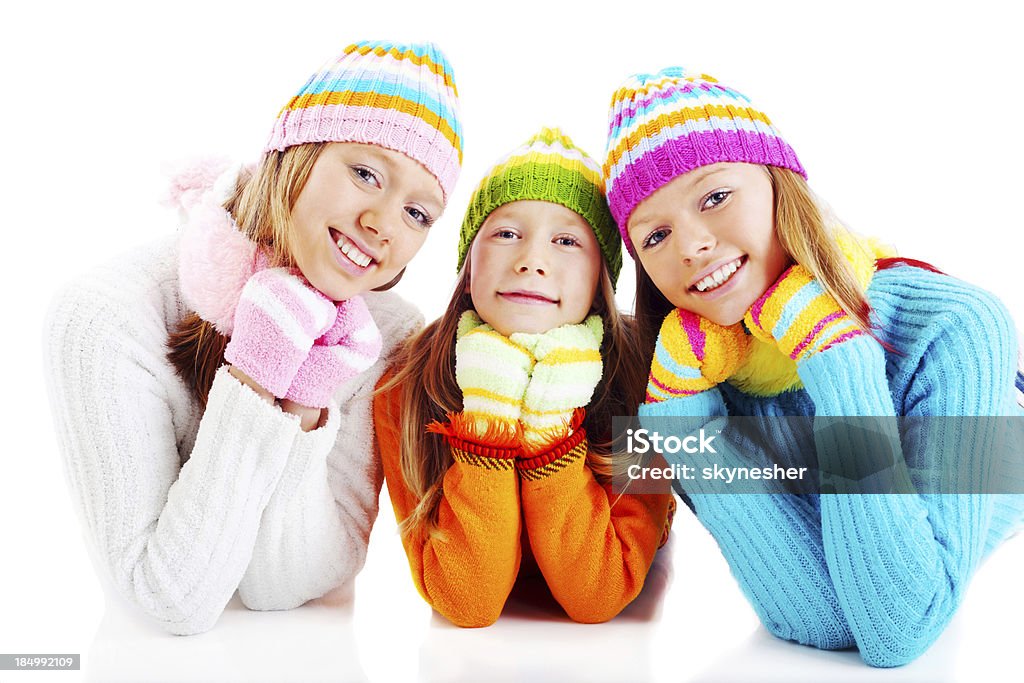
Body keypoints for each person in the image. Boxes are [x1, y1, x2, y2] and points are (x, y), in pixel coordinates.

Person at [602, 67, 1024, 667]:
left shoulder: (958, 327)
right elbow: (819, 615)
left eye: (715, 197)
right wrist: (678, 416)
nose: (691, 246)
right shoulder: (686, 381)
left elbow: (900, 625)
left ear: (781, 184)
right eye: (656, 235)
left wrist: (838, 356)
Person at [42, 41, 462, 635]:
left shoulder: (383, 334)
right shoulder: (106, 316)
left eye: (418, 213)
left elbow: (284, 584)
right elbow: (169, 599)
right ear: (295, 152)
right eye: (365, 173)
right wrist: (257, 373)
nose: (383, 225)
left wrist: (304, 395)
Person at [374, 127, 673, 627]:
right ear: (469, 265)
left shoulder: (643, 378)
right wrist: (489, 412)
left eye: (566, 241)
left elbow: (597, 595)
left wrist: (550, 422)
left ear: (601, 279)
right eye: (507, 233)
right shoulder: (407, 383)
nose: (532, 260)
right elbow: (467, 605)